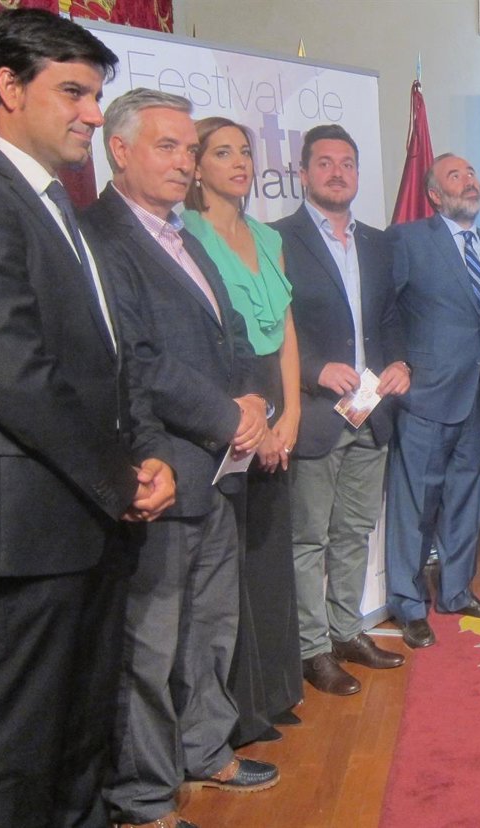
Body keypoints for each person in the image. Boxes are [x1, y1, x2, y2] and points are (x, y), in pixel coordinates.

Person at [0, 12, 174, 827]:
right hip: (28, 531)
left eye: (96, 95)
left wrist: (142, 456)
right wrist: (118, 478)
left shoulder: (56, 199)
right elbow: (13, 371)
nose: (93, 114)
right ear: (7, 87)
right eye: (73, 92)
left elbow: (108, 356)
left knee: (79, 739)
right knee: (16, 754)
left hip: (86, 520)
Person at [83, 88, 277, 828]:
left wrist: (253, 402)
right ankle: (143, 796)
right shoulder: (100, 236)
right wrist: (228, 416)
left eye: (189, 149)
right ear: (119, 149)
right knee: (151, 646)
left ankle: (206, 750)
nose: (185, 162)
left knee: (210, 630)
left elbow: (231, 335)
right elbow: (136, 360)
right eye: (167, 146)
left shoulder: (184, 234)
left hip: (218, 470)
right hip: (158, 470)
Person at [272, 124, 408, 695]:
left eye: (347, 163)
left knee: (354, 531)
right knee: (309, 539)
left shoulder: (378, 242)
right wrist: (312, 370)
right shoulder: (276, 239)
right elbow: (270, 330)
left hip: (371, 411)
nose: (337, 172)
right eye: (324, 162)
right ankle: (312, 649)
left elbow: (389, 318)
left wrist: (401, 362)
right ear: (303, 173)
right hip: (314, 414)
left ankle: (347, 632)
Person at [182, 116, 303, 739]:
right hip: (230, 404)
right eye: (222, 152)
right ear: (196, 166)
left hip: (277, 402)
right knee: (231, 559)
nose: (239, 163)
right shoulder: (186, 233)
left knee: (270, 553)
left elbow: (286, 331)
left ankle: (277, 692)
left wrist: (292, 416)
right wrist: (253, 419)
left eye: (245, 152)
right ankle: (241, 711)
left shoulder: (267, 235)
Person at [385, 153, 480, 648]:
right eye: (455, 176)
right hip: (427, 393)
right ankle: (408, 603)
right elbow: (385, 310)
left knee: (467, 500)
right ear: (435, 195)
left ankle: (456, 591)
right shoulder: (408, 239)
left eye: (472, 173)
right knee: (416, 504)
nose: (469, 181)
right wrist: (399, 362)